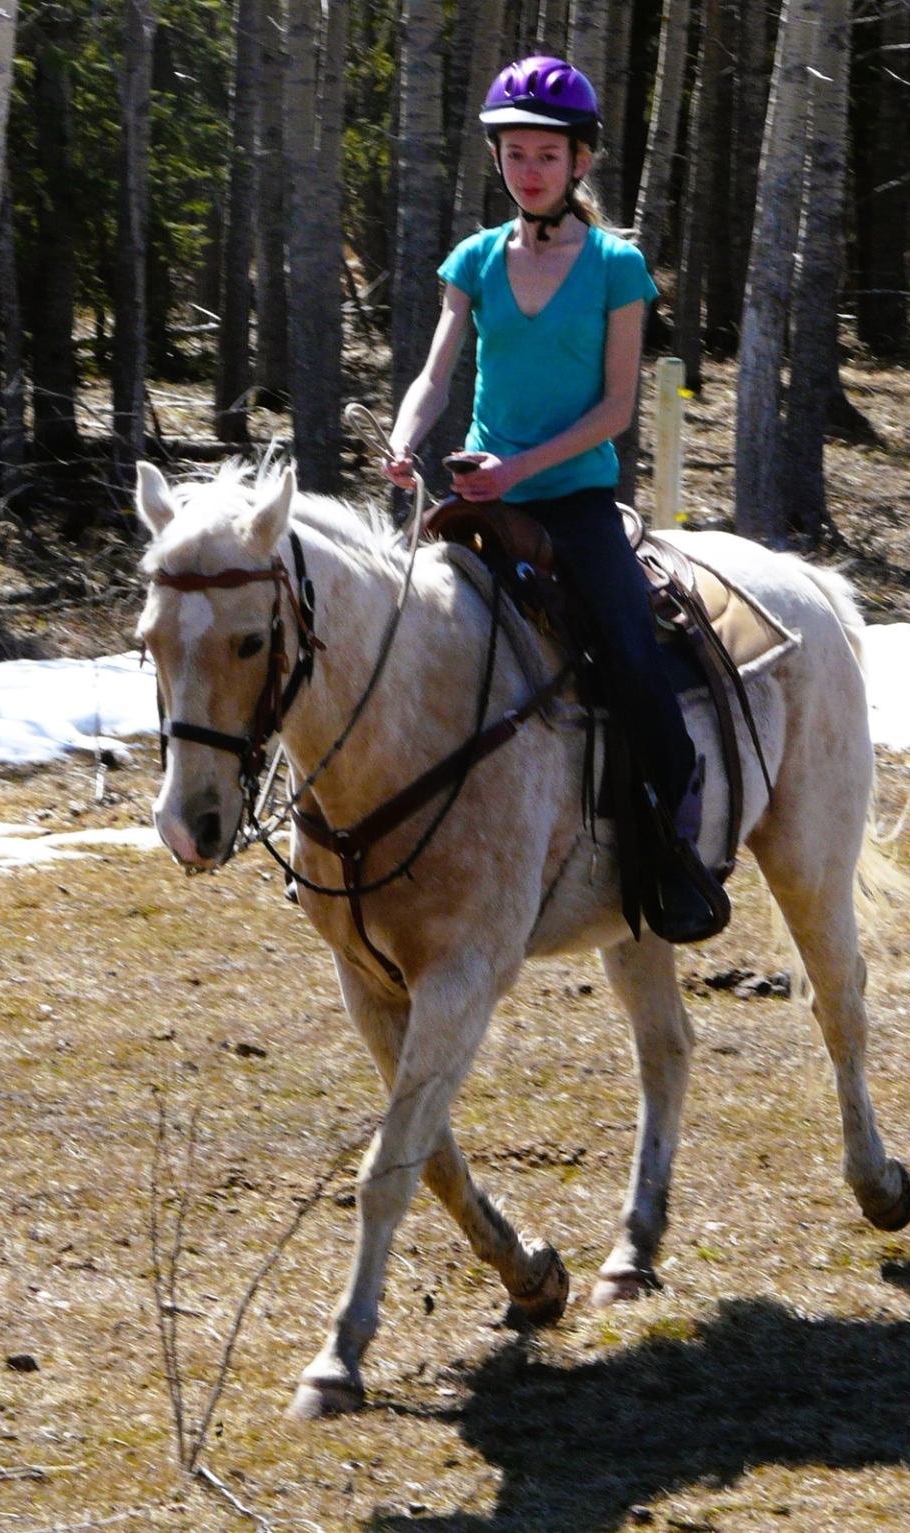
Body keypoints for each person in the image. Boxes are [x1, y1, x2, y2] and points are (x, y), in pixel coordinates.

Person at [382, 55, 720, 945]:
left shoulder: (617, 266)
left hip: (570, 500)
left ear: (579, 163)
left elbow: (616, 408)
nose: (529, 169)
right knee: (388, 645)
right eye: (515, 153)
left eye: (546, 154)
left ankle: (674, 855)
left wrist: (521, 469)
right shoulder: (475, 260)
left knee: (636, 663)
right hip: (477, 496)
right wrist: (403, 438)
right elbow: (434, 372)